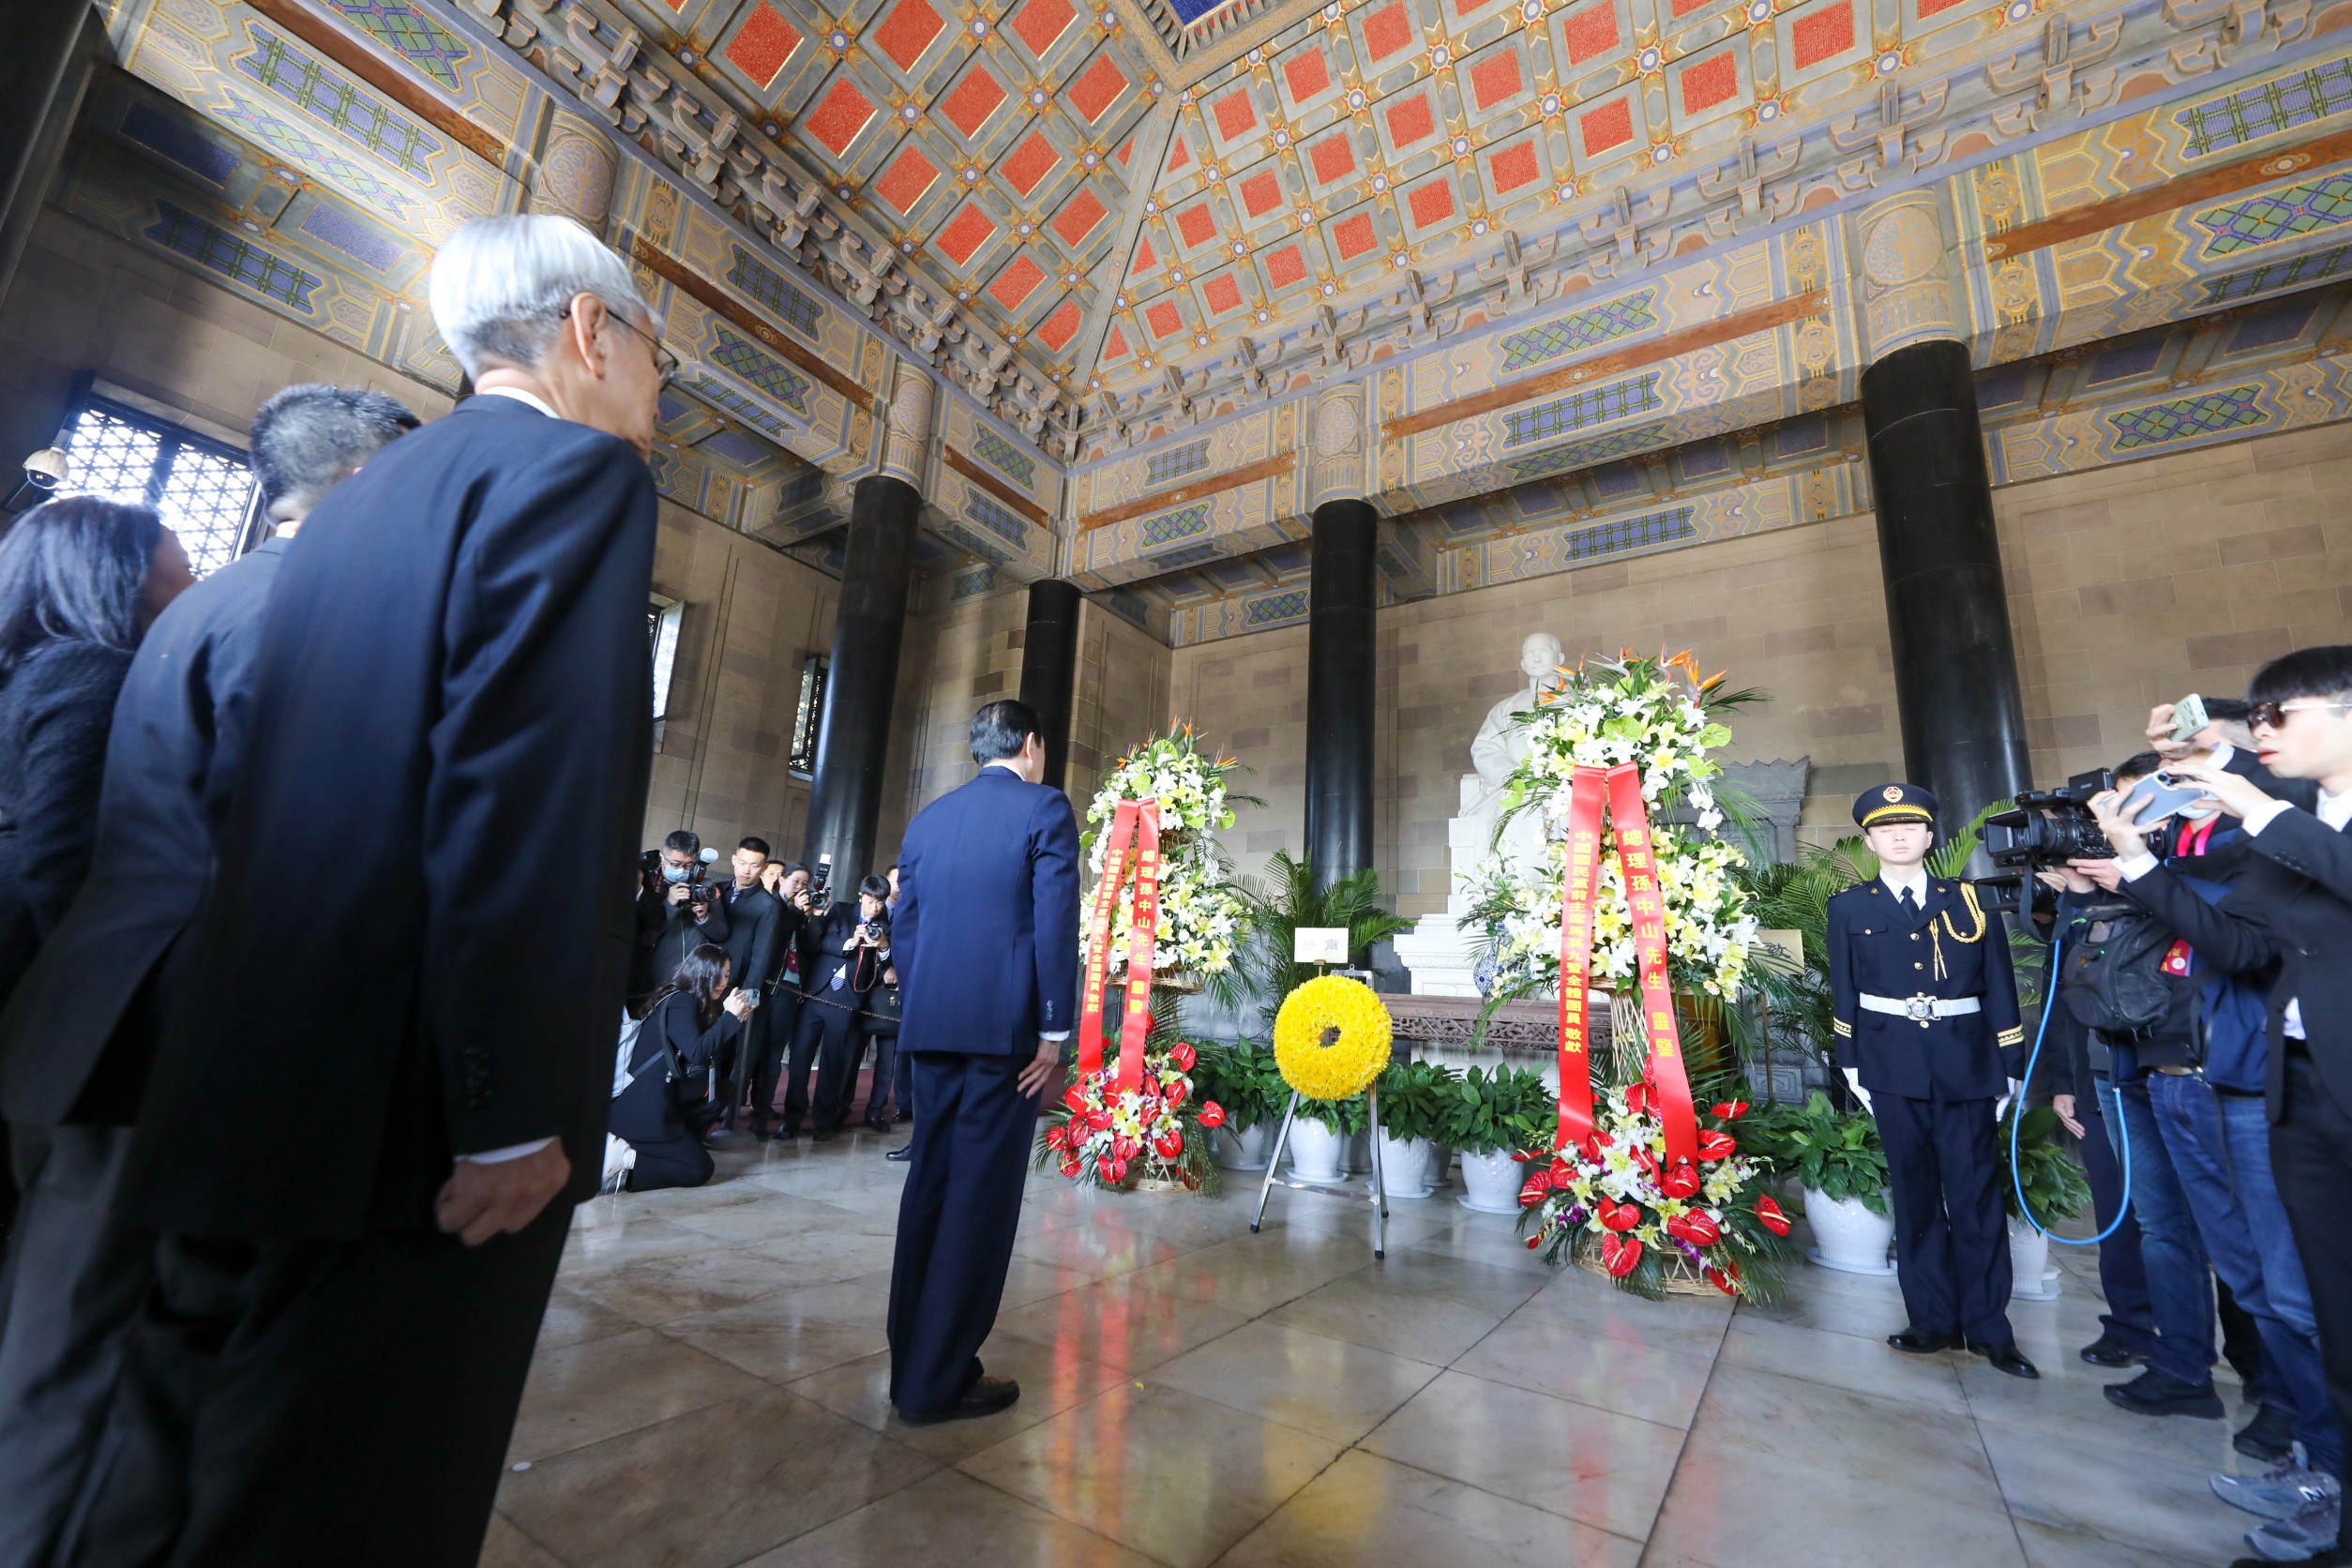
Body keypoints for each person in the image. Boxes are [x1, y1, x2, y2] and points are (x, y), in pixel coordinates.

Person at [72, 212, 667, 1568]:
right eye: (653, 357)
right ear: (589, 329)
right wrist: (512, 1107)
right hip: (411, 1120)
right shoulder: (575, 476)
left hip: (247, 1083)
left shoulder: (352, 509)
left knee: (176, 1485)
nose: (654, 393)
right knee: (351, 1500)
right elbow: (519, 792)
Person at [0, 385, 412, 1568]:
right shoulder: (300, 610)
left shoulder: (222, 596)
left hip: (114, 1032)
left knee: (112, 1363)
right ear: (367, 477)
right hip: (156, 1044)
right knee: (90, 1376)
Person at [2088, 652, 2352, 1568]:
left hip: (2280, 1079)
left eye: (2276, 715)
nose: (2260, 732)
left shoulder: (2285, 821)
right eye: (2257, 717)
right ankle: (2325, 1471)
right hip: (2291, 1084)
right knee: (2291, 1293)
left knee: (2308, 1295)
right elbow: (2237, 942)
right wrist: (2127, 857)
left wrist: (2232, 778)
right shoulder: (2283, 831)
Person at [885, 699, 1078, 1424]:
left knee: (930, 1188)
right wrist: (1053, 1030)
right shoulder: (1044, 807)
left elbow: (905, 925)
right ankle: (940, 1380)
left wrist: (927, 1004)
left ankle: (912, 1363)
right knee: (979, 1200)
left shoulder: (928, 819)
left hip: (933, 1027)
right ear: (1031, 743)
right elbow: (1056, 923)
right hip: (1006, 1039)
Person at [1828, 782, 2036, 1380]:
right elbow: (1844, 989)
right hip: (1890, 1067)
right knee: (1916, 1199)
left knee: (1975, 1199)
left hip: (1967, 1066)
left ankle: (1991, 1331)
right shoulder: (1849, 908)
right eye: (1885, 830)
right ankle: (1931, 1321)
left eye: (1910, 827)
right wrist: (1851, 1062)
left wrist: (2010, 1065)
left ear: (1928, 837)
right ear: (1869, 841)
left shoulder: (1968, 900)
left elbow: (1999, 986)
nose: (1898, 836)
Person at [0, 498, 192, 1004]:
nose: (197, 586)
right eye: (188, 568)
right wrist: (105, 992)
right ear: (128, 574)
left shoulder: (34, 662)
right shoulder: (91, 670)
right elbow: (62, 855)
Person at [611, 945, 750, 1192]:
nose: (722, 982)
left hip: (660, 1100)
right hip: (641, 1111)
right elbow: (697, 1052)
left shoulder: (693, 1003)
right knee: (699, 1170)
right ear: (699, 973)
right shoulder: (681, 1001)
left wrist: (732, 1018)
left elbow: (703, 1061)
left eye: (727, 975)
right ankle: (623, 1168)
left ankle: (680, 1146)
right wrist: (729, 1018)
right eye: (715, 974)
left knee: (722, 1089)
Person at [783, 875, 890, 1140]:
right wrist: (849, 943)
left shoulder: (885, 925)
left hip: (847, 1000)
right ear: (860, 895)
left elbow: (887, 962)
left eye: (880, 903)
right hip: (816, 993)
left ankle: (824, 1121)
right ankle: (791, 1120)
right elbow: (820, 942)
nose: (875, 907)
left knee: (834, 1063)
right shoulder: (841, 910)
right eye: (871, 900)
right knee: (799, 1059)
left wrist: (884, 947)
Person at [714, 837, 782, 1131]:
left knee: (734, 1053)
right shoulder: (718, 891)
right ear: (733, 860)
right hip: (706, 984)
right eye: (742, 862)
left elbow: (762, 956)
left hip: (736, 989)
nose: (746, 870)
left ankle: (726, 1112)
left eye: (754, 865)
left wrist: (748, 999)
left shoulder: (767, 905)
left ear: (763, 867)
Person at [746, 859, 812, 1138]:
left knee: (774, 1056)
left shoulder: (804, 911)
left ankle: (761, 1115)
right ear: (781, 880)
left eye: (805, 883)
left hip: (789, 990)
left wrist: (812, 918)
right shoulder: (770, 905)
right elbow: (772, 937)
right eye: (795, 881)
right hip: (764, 988)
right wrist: (796, 913)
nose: (799, 887)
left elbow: (812, 948)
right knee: (751, 1054)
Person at [633, 829, 728, 1000]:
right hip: (655, 980)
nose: (681, 870)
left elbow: (721, 933)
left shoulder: (705, 887)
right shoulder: (647, 887)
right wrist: (669, 904)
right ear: (662, 856)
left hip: (696, 980)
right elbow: (644, 939)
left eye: (687, 865)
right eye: (675, 864)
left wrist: (704, 918)